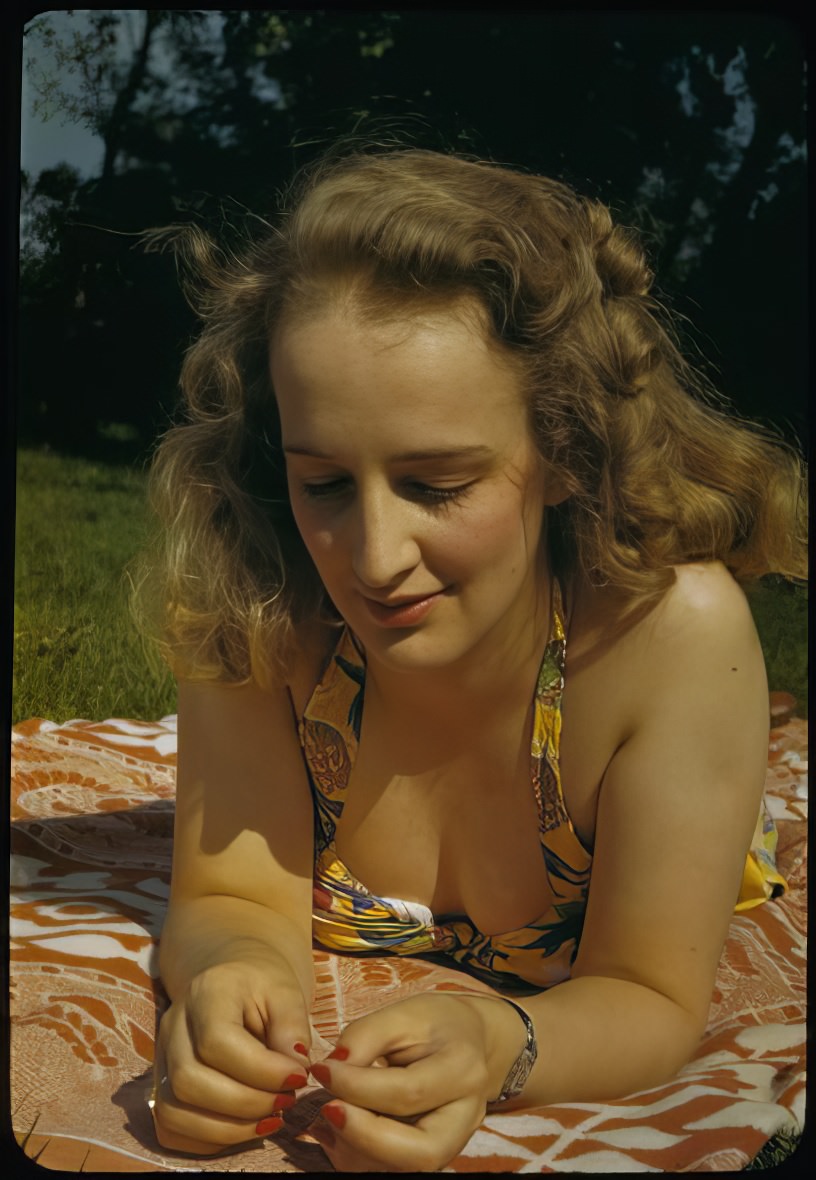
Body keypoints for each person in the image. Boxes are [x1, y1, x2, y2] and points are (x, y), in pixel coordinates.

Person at [138, 146, 805, 1172]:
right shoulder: (258, 598)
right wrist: (228, 982)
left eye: (436, 483)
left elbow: (651, 991)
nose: (372, 555)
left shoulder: (666, 639)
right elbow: (230, 897)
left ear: (565, 452)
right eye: (322, 482)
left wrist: (504, 1038)